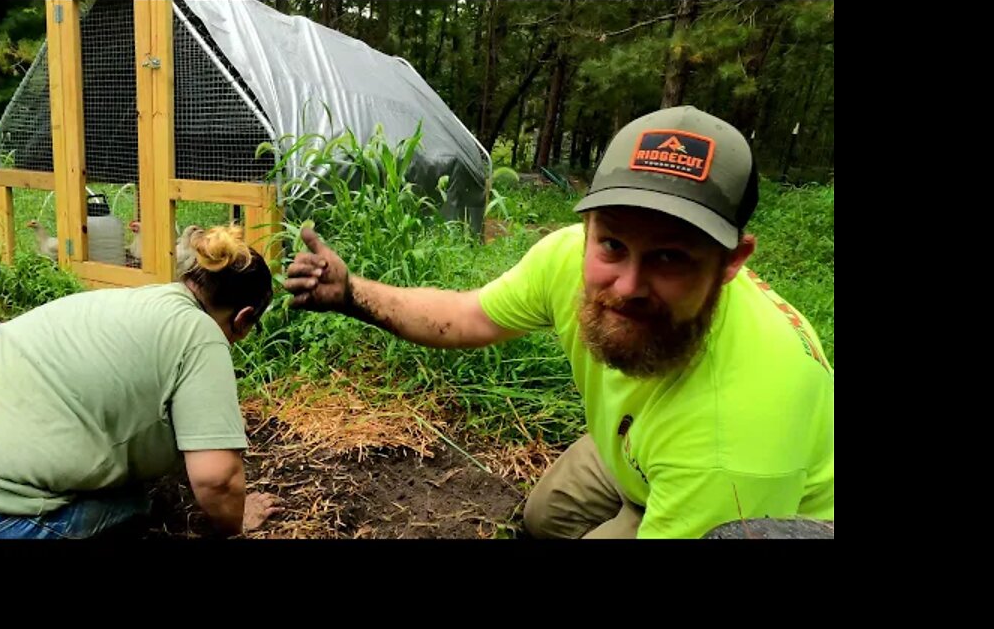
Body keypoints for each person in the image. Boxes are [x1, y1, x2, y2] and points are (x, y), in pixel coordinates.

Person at [284, 106, 833, 539]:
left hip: (733, 498)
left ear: (732, 261)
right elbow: (466, 316)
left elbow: (714, 457)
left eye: (671, 257)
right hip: (647, 441)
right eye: (613, 244)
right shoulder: (567, 258)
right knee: (546, 519)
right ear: (589, 227)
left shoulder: (733, 447)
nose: (628, 285)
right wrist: (352, 293)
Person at [0, 224, 283, 539]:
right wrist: (237, 518)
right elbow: (216, 478)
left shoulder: (130, 300)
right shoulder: (201, 332)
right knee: (134, 504)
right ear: (245, 318)